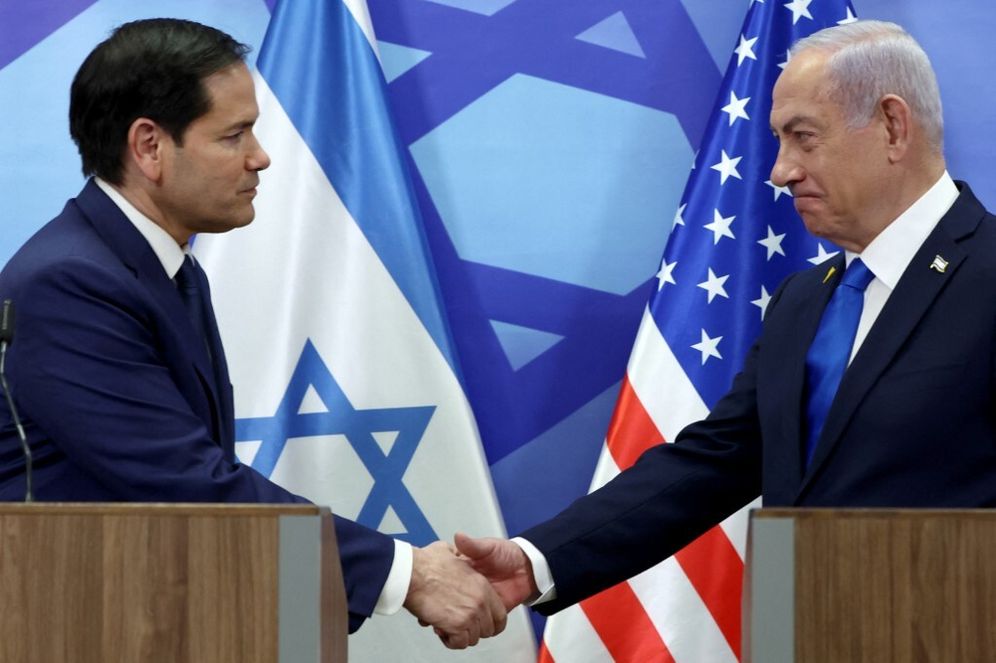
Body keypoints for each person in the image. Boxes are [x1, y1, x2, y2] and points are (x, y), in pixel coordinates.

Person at [455, 20, 996, 616]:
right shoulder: (804, 301)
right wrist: (537, 563)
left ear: (892, 126)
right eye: (778, 141)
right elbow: (715, 462)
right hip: (800, 635)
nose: (780, 170)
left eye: (803, 137)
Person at [0, 18, 503, 649]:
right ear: (149, 146)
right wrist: (405, 574)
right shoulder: (71, 282)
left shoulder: (162, 265)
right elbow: (180, 482)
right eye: (234, 134)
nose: (260, 156)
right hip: (76, 625)